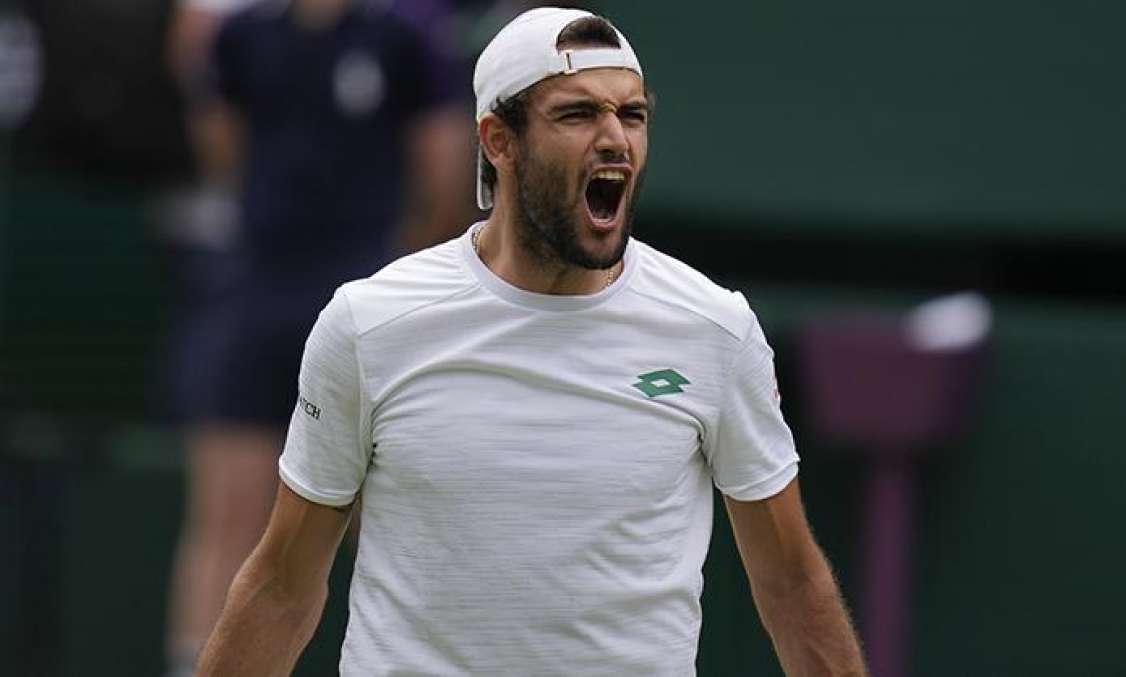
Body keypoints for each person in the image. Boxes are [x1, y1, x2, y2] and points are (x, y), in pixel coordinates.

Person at [196, 7, 866, 676]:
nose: (614, 140)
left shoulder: (713, 329)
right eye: (576, 115)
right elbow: (282, 590)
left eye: (631, 116)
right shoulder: (370, 324)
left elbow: (790, 584)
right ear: (498, 140)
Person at [162, 0, 474, 674]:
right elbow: (222, 148)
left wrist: (395, 281)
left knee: (393, 519)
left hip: (368, 306)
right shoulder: (240, 36)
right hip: (257, 299)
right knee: (227, 513)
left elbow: (442, 172)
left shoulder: (407, 35)